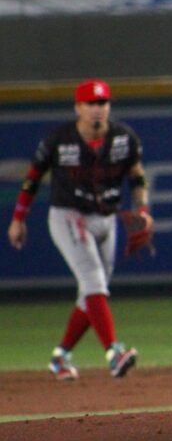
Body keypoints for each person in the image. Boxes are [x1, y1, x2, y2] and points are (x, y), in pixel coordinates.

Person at [6, 79, 151, 380]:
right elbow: (32, 179)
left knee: (92, 293)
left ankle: (60, 357)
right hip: (69, 216)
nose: (97, 109)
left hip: (106, 218)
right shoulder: (59, 139)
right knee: (95, 282)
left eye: (102, 103)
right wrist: (18, 218)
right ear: (78, 107)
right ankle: (114, 353)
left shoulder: (124, 138)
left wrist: (142, 210)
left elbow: (137, 177)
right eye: (91, 103)